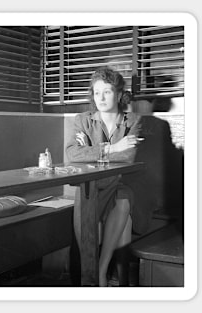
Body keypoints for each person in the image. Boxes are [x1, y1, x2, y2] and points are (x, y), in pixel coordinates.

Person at [65, 66, 152, 287]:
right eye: (96, 92)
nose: (101, 97)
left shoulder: (133, 120)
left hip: (121, 183)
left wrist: (94, 154)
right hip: (91, 187)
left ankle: (101, 271)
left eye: (107, 91)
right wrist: (113, 148)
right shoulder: (83, 120)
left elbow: (129, 156)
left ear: (119, 94)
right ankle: (96, 277)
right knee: (90, 216)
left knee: (124, 198)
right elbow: (72, 154)